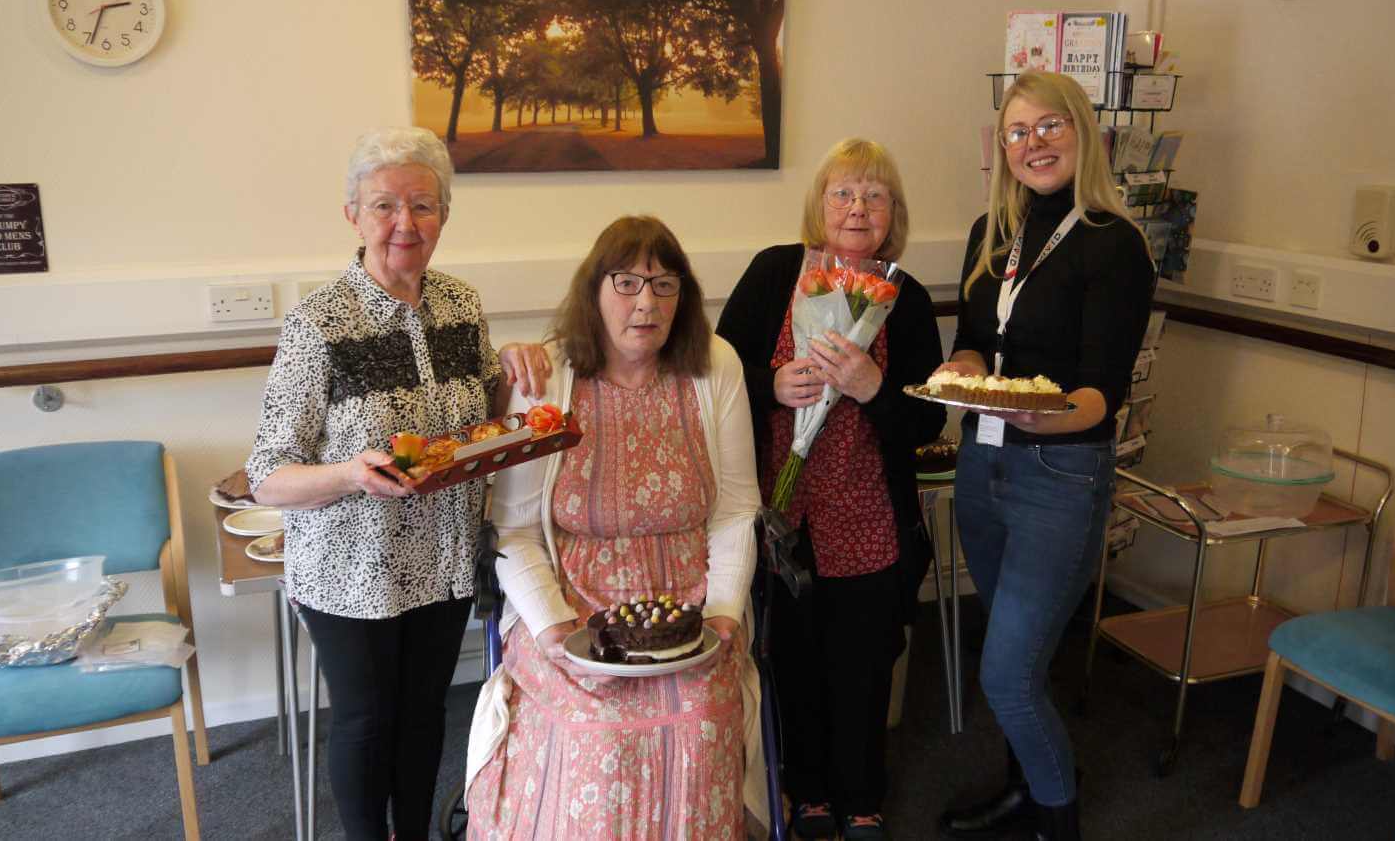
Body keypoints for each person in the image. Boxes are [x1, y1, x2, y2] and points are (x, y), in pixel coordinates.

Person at [246, 126, 549, 841]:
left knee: (424, 714)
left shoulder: (460, 305)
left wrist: (508, 369)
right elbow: (267, 475)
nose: (404, 224)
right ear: (352, 214)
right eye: (384, 205)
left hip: (443, 562)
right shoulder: (318, 323)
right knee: (364, 719)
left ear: (445, 215)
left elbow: (486, 419)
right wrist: (351, 472)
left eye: (423, 205)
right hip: (352, 569)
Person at [463, 216, 766, 839]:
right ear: (593, 291)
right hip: (572, 602)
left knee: (702, 712)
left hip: (691, 605)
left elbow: (737, 509)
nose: (646, 302)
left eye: (664, 284)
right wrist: (551, 627)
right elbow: (514, 530)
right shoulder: (546, 377)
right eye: (627, 283)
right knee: (586, 718)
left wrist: (725, 614)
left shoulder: (715, 364)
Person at [935, 71, 1156, 841]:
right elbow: (971, 340)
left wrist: (1041, 412)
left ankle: (1059, 819)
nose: (1034, 144)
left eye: (1050, 126)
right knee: (1015, 654)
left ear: (1082, 131)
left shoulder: (1114, 244)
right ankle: (1024, 789)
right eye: (1018, 131)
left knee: (1004, 671)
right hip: (981, 467)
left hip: (1058, 476)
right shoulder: (990, 232)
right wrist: (962, 372)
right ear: (1002, 147)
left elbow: (1102, 395)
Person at [716, 138, 946, 841]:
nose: (857, 207)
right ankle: (808, 791)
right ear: (819, 205)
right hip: (783, 511)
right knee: (793, 658)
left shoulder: (903, 300)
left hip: (870, 515)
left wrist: (876, 390)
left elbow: (927, 416)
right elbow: (718, 378)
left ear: (893, 214)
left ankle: (863, 795)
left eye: (875, 196)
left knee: (866, 661)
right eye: (843, 192)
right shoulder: (775, 272)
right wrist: (772, 384)